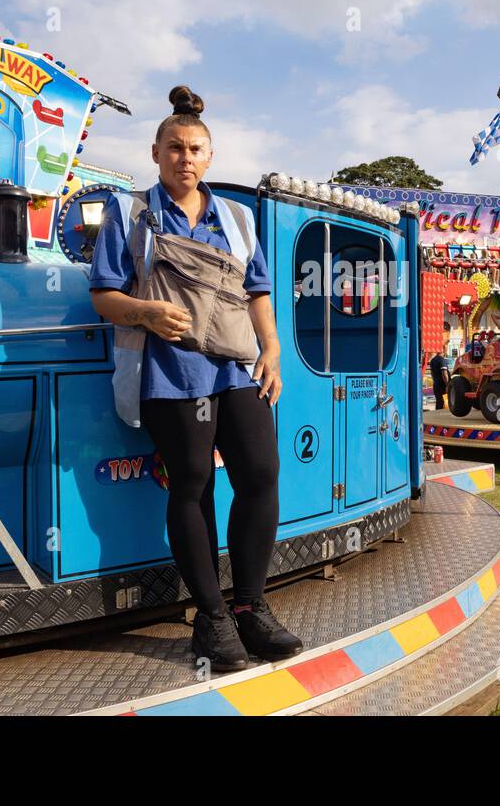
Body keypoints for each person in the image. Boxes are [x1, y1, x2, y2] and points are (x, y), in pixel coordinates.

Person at [89, 85, 301, 672]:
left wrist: (273, 350)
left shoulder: (237, 218)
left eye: (196, 148)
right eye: (175, 147)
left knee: (260, 473)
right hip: (169, 372)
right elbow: (103, 295)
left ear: (210, 157)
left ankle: (250, 607)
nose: (185, 157)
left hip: (235, 366)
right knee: (191, 485)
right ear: (155, 153)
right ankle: (210, 620)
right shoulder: (129, 214)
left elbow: (257, 292)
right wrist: (147, 312)